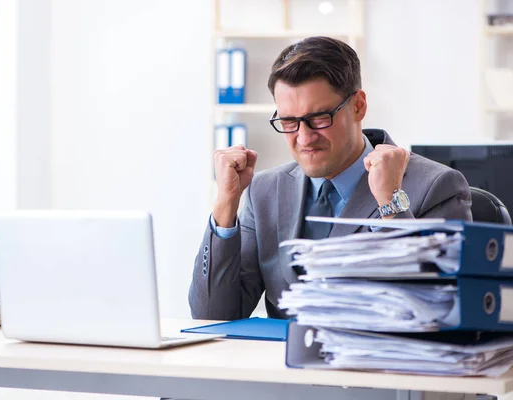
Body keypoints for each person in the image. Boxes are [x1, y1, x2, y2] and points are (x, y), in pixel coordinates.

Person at [189, 36, 472, 321]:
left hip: (376, 363)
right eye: (289, 122)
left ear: (358, 106)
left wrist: (391, 203)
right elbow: (212, 315)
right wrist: (226, 204)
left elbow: (442, 311)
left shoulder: (436, 186)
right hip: (279, 364)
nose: (304, 138)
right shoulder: (264, 191)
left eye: (319, 117)